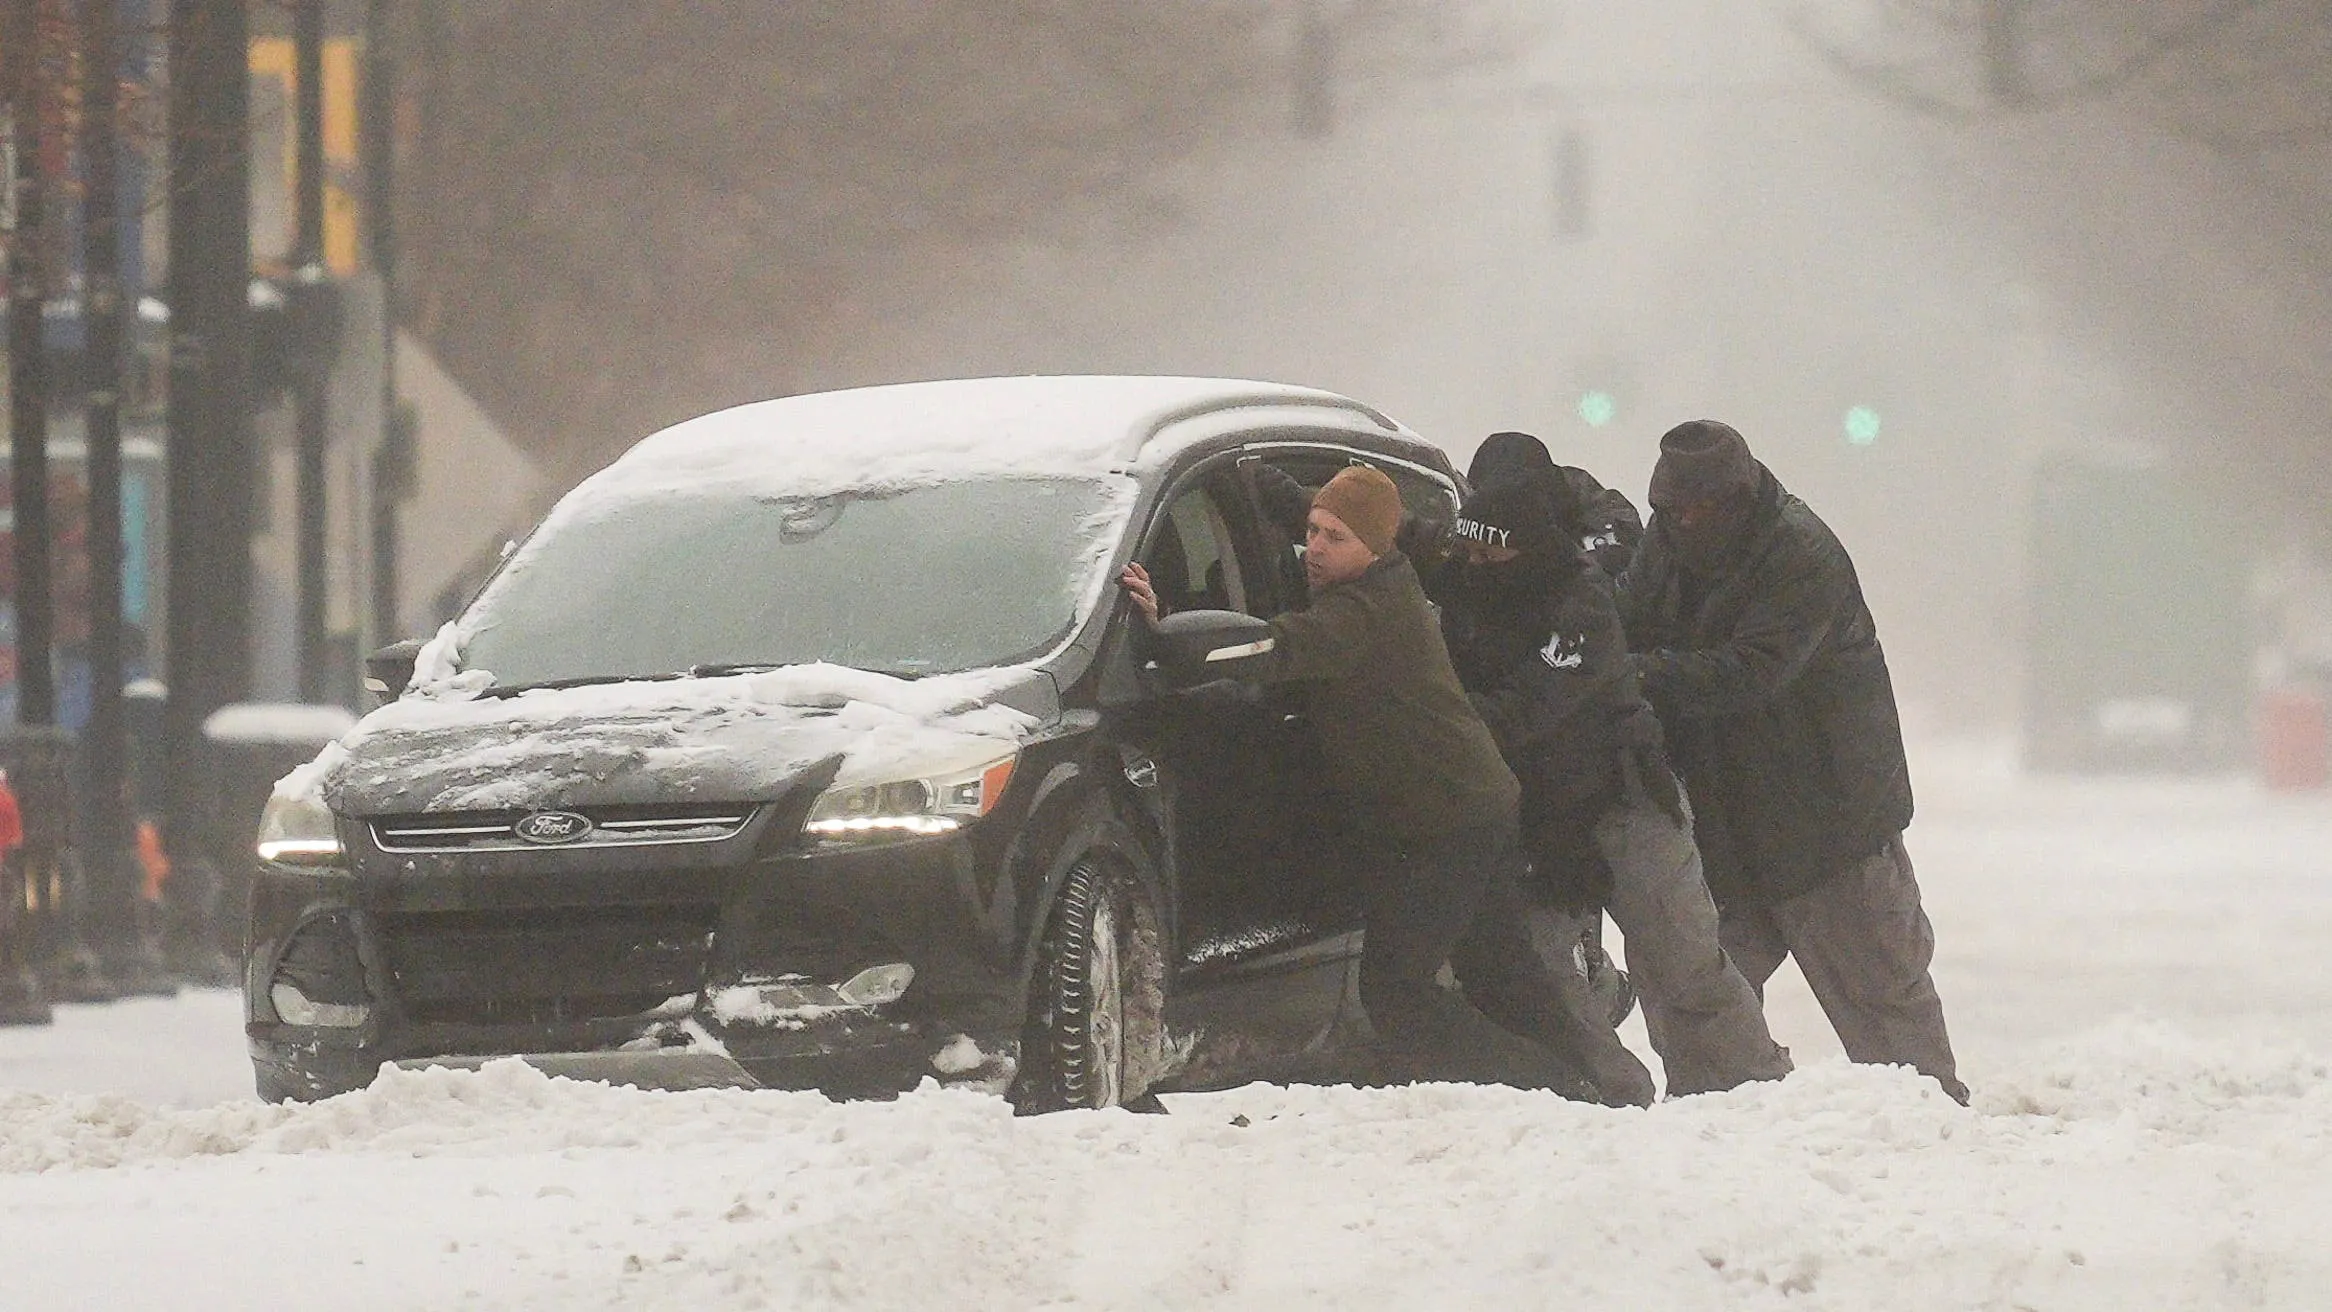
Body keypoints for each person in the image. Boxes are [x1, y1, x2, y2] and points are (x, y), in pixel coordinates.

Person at [1120, 465, 1613, 1101]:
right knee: (1499, 973)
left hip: (1447, 823)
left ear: (1378, 549)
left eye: (1337, 538)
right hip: (1473, 805)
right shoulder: (1374, 588)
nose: (1317, 549)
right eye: (1313, 532)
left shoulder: (1365, 613)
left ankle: (1538, 1086)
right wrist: (1255, 480)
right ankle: (1594, 1090)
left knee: (1396, 991)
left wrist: (1164, 634)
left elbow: (1270, 649)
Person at [1619, 419, 1967, 1104]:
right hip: (1724, 823)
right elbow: (1630, 614)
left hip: (1829, 828)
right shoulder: (1669, 540)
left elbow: (1752, 671)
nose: (1679, 523)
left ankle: (1937, 1135)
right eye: (1668, 511)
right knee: (1691, 1003)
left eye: (1693, 511)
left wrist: (1632, 674)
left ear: (1734, 502)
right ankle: (1724, 1122)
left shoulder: (1800, 554)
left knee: (1889, 1021)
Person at [1440, 465, 1792, 1098]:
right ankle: (1611, 1098)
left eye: (1492, 554)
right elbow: (1398, 540)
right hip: (1539, 822)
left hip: (1626, 802)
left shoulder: (1581, 609)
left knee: (1686, 968)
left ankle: (1753, 1093)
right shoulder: (1467, 595)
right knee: (1551, 983)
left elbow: (1529, 707)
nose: (1477, 567)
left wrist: (1437, 717)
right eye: (1467, 554)